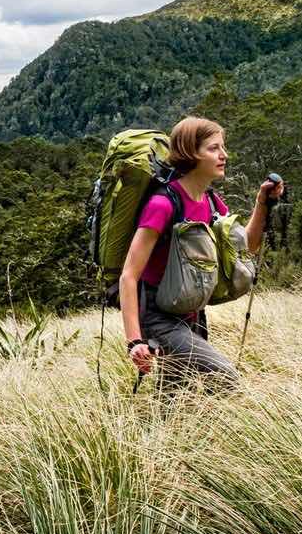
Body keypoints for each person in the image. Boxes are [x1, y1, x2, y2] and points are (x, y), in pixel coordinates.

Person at [119, 116, 284, 389]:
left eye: (223, 147)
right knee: (224, 376)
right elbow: (129, 276)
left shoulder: (210, 201)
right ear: (190, 153)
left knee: (175, 398)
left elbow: (246, 247)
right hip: (159, 316)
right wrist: (135, 341)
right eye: (214, 148)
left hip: (192, 312)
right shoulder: (162, 204)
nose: (224, 155)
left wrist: (262, 202)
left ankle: (162, 432)